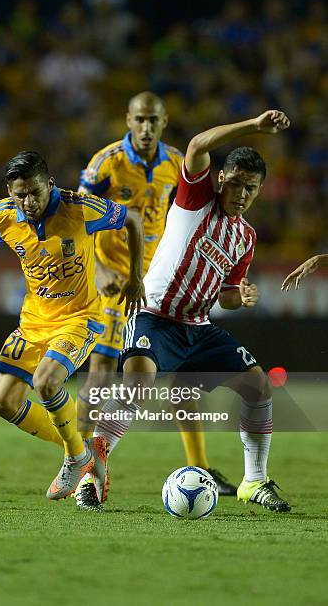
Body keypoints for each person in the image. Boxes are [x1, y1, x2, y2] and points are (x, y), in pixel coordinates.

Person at [93, 110, 292, 512]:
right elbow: (199, 145)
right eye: (235, 184)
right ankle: (91, 476)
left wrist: (243, 296)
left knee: (259, 387)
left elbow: (227, 296)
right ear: (221, 180)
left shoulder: (245, 238)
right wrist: (254, 126)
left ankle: (254, 481)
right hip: (154, 315)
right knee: (137, 384)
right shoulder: (195, 198)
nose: (241, 194)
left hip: (198, 328)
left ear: (259, 191)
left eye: (250, 188)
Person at [0, 150, 145, 503]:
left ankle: (76, 457)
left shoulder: (80, 208)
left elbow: (134, 220)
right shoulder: (3, 215)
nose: (28, 201)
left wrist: (135, 277)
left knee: (46, 382)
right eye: (20, 194)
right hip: (34, 321)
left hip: (80, 317)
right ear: (9, 190)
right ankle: (86, 452)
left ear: (50, 184)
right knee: (3, 403)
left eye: (35, 192)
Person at [76, 91, 236, 511]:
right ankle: (79, 467)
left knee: (182, 378)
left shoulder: (175, 163)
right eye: (139, 120)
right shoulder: (104, 163)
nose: (146, 128)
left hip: (158, 282)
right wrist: (98, 269)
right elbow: (76, 218)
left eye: (154, 121)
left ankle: (199, 466)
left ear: (164, 123)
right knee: (103, 372)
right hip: (114, 280)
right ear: (128, 120)